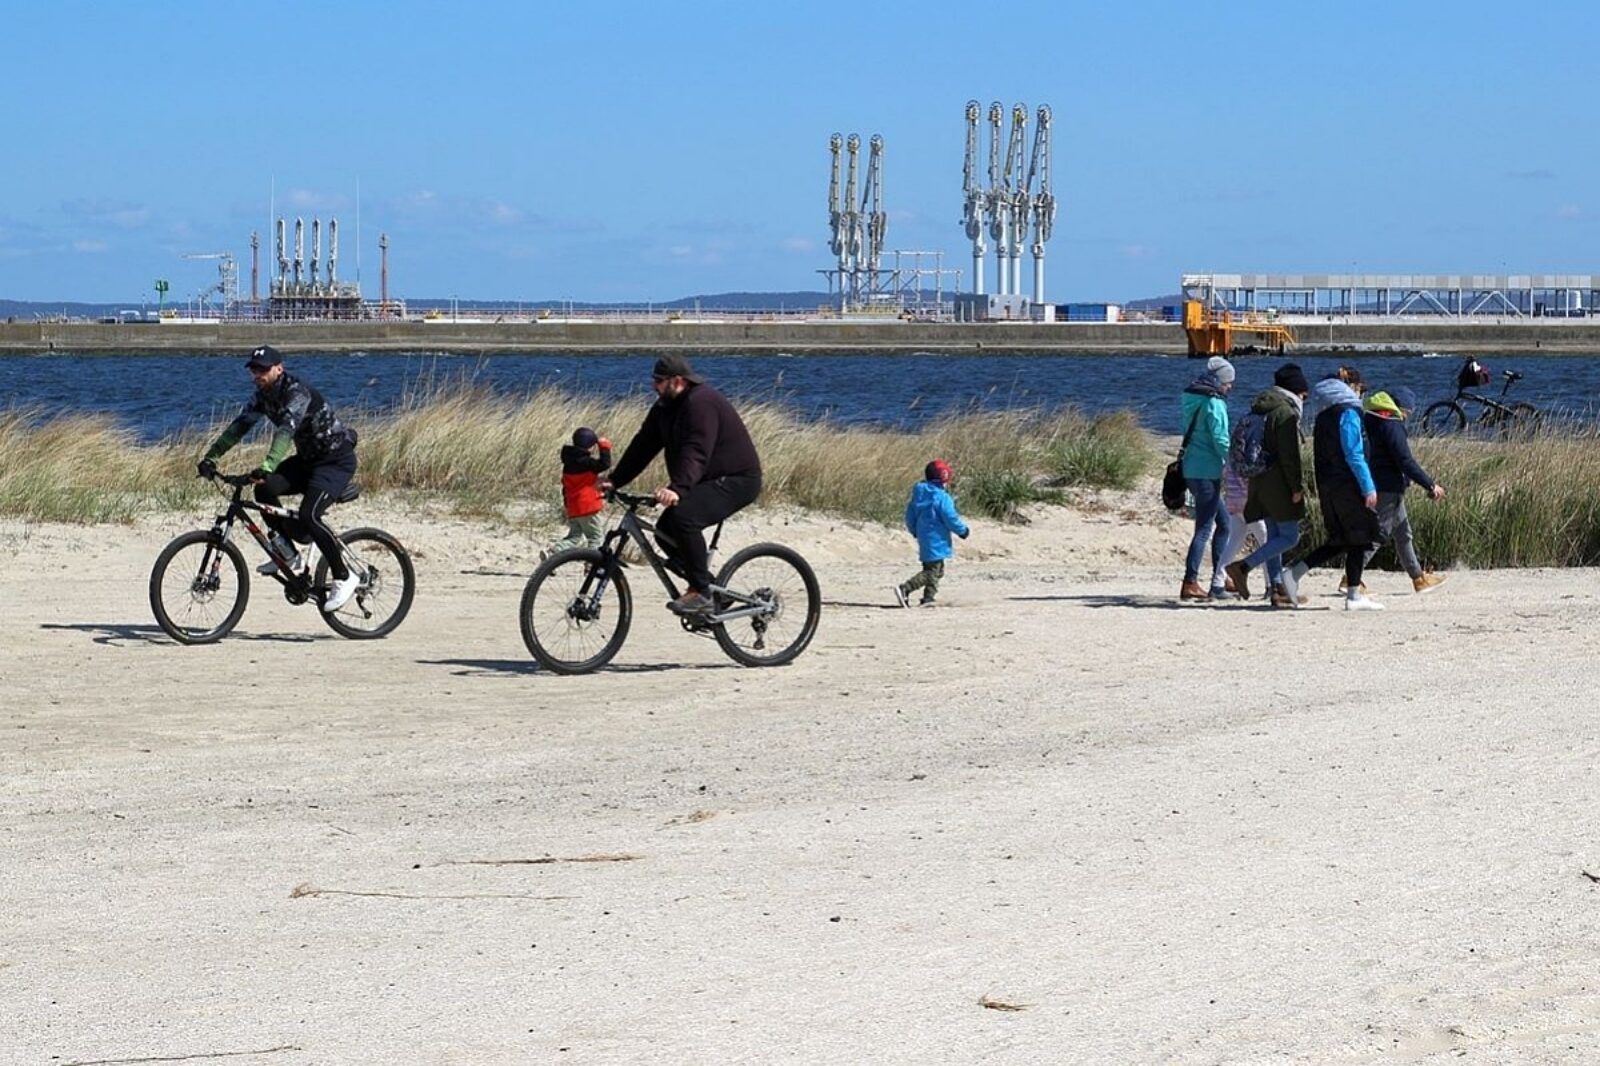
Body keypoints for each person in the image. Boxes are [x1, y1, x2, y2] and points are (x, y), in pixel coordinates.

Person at [198, 345, 362, 612]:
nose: (257, 375)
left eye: (262, 370)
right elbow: (239, 427)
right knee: (264, 489)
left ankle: (344, 576)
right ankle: (289, 554)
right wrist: (211, 458)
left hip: (335, 462)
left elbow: (286, 429)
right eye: (254, 370)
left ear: (279, 369)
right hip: (307, 461)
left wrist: (268, 464)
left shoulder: (297, 392)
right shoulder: (262, 396)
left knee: (309, 516)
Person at [607, 354, 762, 616]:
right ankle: (712, 590)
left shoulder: (701, 403)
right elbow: (643, 446)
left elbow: (697, 451)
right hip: (707, 480)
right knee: (664, 531)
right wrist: (614, 480)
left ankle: (701, 592)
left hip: (738, 479)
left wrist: (677, 489)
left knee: (684, 518)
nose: (654, 385)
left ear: (677, 381)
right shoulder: (664, 407)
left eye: (659, 380)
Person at [1278, 373, 1383, 610]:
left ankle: (1294, 574)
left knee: (1341, 539)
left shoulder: (1323, 417)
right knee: (1360, 536)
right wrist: (1368, 486)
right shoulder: (1348, 413)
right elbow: (1354, 454)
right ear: (1346, 390)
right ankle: (1353, 595)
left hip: (1328, 486)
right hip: (1348, 484)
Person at [1224, 363, 1312, 608]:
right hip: (1278, 483)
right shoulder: (1285, 413)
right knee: (1290, 537)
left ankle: (1277, 589)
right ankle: (1243, 567)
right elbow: (1290, 455)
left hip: (1257, 479)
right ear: (1296, 390)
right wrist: (1297, 487)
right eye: (1304, 395)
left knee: (1273, 536)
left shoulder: (1260, 407)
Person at [1361, 387, 1448, 593]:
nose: (1408, 416)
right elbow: (1405, 460)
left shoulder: (1373, 419)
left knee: (1403, 533)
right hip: (1388, 486)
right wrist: (1430, 484)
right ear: (1403, 408)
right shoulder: (1392, 424)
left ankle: (1418, 578)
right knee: (1379, 533)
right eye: (1409, 412)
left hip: (1380, 482)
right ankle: (1351, 577)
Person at [1178, 356, 1234, 601]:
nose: (1230, 386)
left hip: (1191, 468)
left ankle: (1220, 577)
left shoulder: (1191, 397)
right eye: (1228, 382)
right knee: (1204, 528)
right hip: (1207, 471)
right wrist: (1235, 464)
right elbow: (1220, 439)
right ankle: (1190, 581)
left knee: (1224, 523)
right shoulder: (1214, 403)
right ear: (1219, 381)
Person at [893, 459, 970, 607]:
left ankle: (928, 598)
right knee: (931, 572)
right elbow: (950, 517)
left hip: (924, 537)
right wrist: (962, 530)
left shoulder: (918, 496)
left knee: (936, 570)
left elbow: (910, 517)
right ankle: (905, 588)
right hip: (937, 539)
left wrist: (914, 531)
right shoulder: (942, 497)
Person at [550, 427, 612, 554]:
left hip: (572, 506)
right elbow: (604, 464)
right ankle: (592, 562)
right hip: (587, 506)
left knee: (574, 537)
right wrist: (604, 447)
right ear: (590, 446)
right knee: (595, 538)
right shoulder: (587, 463)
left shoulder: (568, 464)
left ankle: (554, 552)